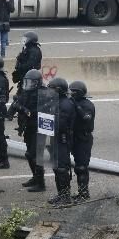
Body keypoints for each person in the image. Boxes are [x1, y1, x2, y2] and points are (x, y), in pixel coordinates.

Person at [8, 69, 47, 192]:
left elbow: (33, 113)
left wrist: (22, 108)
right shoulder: (26, 92)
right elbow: (18, 102)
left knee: (35, 155)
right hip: (28, 127)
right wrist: (12, 110)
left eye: (31, 82)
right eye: (27, 82)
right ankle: (35, 177)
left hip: (39, 129)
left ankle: (41, 184)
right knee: (29, 154)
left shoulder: (43, 94)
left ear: (37, 83)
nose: (28, 85)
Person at [48, 78, 78, 207]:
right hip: (55, 138)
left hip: (63, 139)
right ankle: (61, 194)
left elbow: (61, 125)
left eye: (52, 88)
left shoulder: (65, 104)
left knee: (61, 169)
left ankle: (65, 197)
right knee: (56, 167)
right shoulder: (57, 101)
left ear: (58, 90)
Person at [69, 80, 95, 201]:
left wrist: (76, 106)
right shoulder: (70, 103)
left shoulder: (87, 105)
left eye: (74, 92)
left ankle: (84, 193)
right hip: (73, 137)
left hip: (84, 138)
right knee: (74, 166)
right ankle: (79, 192)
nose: (71, 94)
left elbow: (86, 119)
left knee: (81, 167)